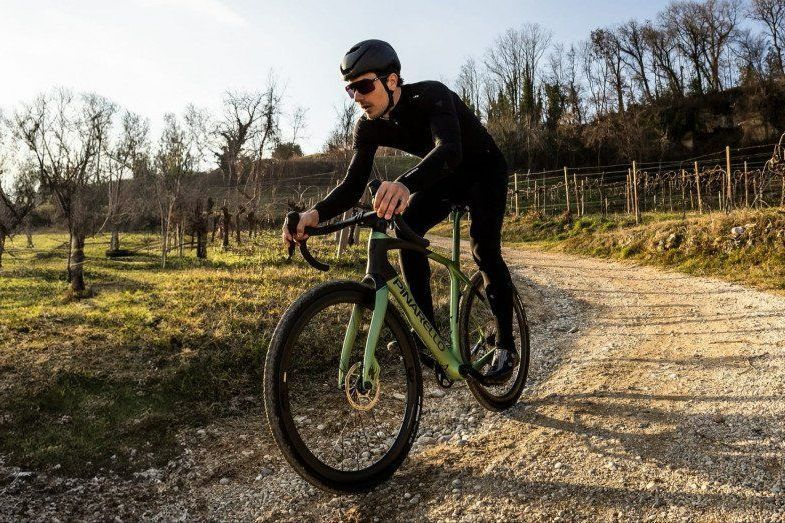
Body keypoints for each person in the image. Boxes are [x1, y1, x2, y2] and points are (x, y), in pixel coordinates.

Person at [282, 39, 517, 384]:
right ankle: (427, 336)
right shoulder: (369, 125)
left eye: (364, 85)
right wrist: (312, 215)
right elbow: (353, 183)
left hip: (483, 171)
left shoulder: (431, 96)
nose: (357, 96)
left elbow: (449, 150)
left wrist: (405, 184)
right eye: (351, 89)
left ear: (391, 81)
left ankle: (507, 345)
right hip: (444, 180)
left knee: (483, 247)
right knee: (406, 227)